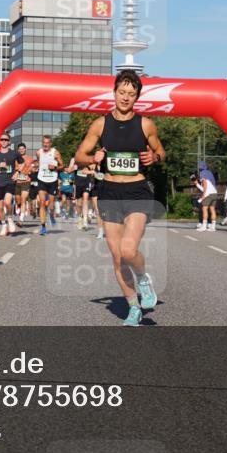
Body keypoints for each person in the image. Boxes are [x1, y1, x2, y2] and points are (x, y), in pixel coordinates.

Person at [75, 70, 166, 327]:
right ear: (114, 93)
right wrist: (93, 159)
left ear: (137, 97)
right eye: (122, 92)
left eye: (131, 94)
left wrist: (154, 158)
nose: (126, 97)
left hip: (137, 190)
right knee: (117, 257)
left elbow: (161, 151)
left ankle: (143, 279)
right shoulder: (100, 124)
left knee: (128, 250)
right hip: (109, 193)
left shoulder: (145, 124)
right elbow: (80, 154)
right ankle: (133, 307)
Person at [0, 133, 21, 236]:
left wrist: (17, 173)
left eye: (6, 140)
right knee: (0, 207)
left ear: (9, 142)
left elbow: (23, 163)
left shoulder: (14, 153)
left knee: (7, 202)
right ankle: (3, 225)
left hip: (10, 182)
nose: (4, 141)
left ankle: (10, 219)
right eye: (2, 139)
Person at [34, 135, 64, 235]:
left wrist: (55, 167)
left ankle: (51, 214)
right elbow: (38, 162)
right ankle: (43, 226)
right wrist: (36, 166)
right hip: (41, 179)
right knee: (42, 202)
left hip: (52, 180)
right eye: (44, 143)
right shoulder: (38, 152)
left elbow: (62, 165)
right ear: (42, 143)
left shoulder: (55, 153)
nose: (46, 144)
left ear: (50, 143)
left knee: (50, 205)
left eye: (47, 143)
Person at [72, 159, 95, 230]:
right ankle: (80, 218)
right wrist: (73, 167)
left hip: (86, 182)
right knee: (79, 204)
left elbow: (93, 167)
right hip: (78, 182)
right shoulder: (74, 159)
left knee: (85, 198)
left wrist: (89, 166)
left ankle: (85, 220)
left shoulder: (89, 159)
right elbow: (69, 170)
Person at [14, 142, 33, 224]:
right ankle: (18, 206)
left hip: (26, 181)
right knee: (18, 200)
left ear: (25, 149)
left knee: (23, 199)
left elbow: (32, 168)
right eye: (20, 149)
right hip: (17, 181)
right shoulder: (15, 159)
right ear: (18, 150)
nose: (21, 150)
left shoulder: (29, 158)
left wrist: (30, 171)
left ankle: (21, 219)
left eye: (23, 149)